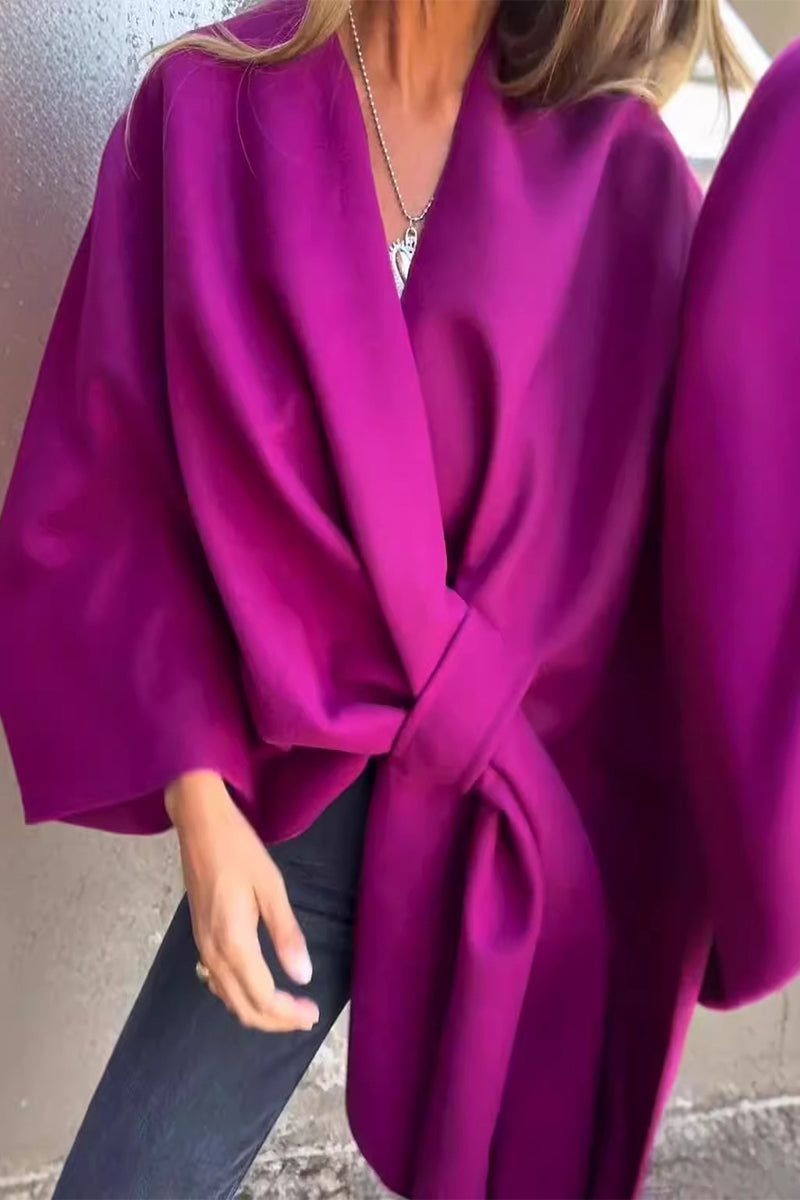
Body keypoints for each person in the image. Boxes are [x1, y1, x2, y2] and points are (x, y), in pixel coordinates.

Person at [0, 0, 773, 1197]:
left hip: (531, 822)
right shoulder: (203, 110)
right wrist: (203, 811)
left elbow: (719, 516)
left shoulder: (619, 173)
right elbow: (115, 493)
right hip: (301, 814)